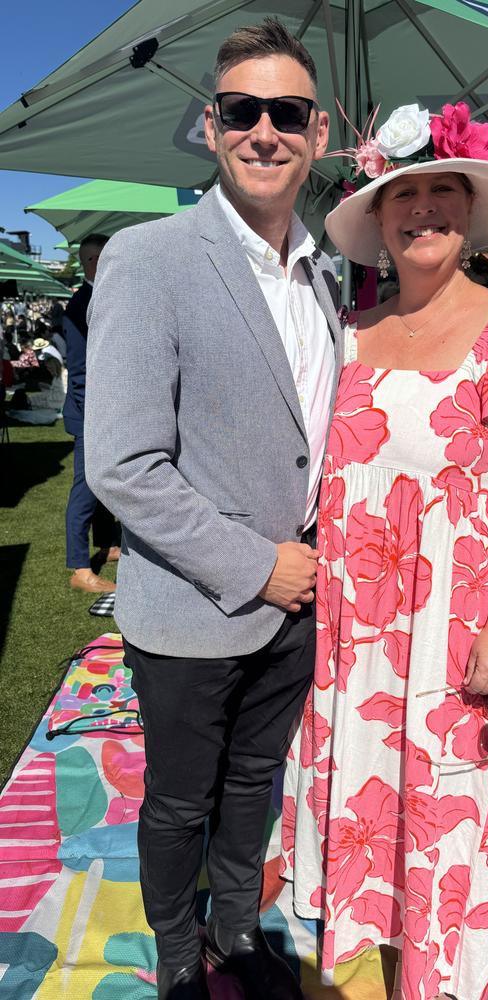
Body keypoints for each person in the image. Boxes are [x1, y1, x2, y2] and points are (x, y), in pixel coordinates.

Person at [283, 100, 488, 1000]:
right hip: (346, 641)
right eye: (402, 194)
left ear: (471, 210)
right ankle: (362, 970)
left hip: (453, 632)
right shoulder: (344, 337)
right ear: (376, 218)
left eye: (443, 190)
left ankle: (435, 979)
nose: (423, 208)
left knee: (444, 818)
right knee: (361, 813)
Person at [85, 19, 340, 1000]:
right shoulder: (151, 258)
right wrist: (255, 564)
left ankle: (235, 932)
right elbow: (123, 463)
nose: (263, 131)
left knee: (253, 785)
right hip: (198, 604)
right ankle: (178, 956)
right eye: (243, 111)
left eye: (286, 113)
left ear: (318, 134)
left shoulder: (325, 276)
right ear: (210, 126)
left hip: (299, 604)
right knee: (181, 797)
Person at [63, 233, 121, 593]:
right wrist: (95, 417)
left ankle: (108, 544)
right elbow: (81, 370)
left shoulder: (98, 297)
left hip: (101, 409)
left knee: (101, 481)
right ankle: (79, 567)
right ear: (92, 263)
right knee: (85, 487)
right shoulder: (81, 304)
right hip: (90, 413)